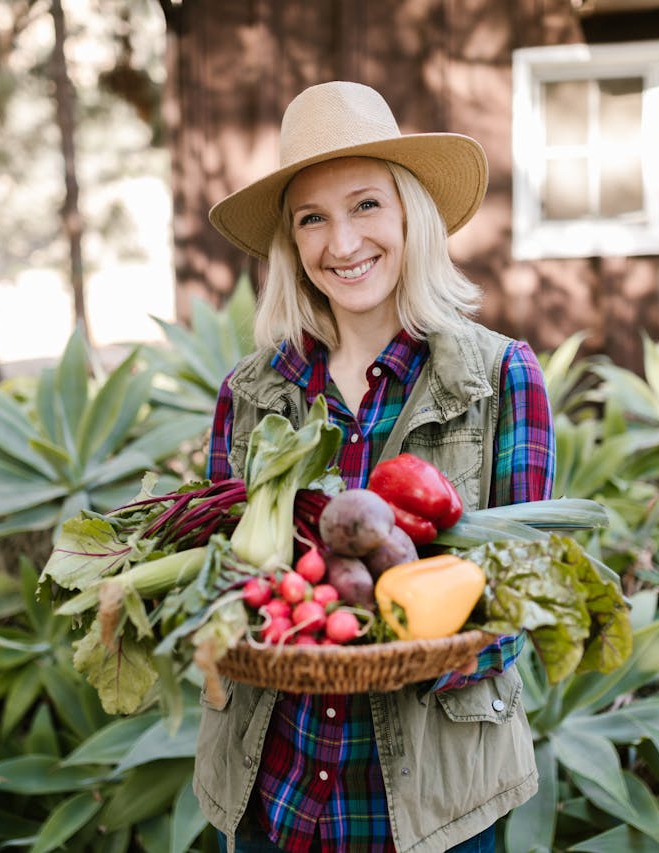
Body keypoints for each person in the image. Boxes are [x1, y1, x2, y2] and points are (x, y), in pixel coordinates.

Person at [194, 80, 556, 853]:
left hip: (435, 809)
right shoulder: (250, 394)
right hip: (273, 795)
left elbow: (520, 591)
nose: (343, 242)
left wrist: (392, 649)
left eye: (365, 205)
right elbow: (228, 580)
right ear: (291, 244)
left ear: (408, 215)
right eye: (312, 218)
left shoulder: (499, 378)